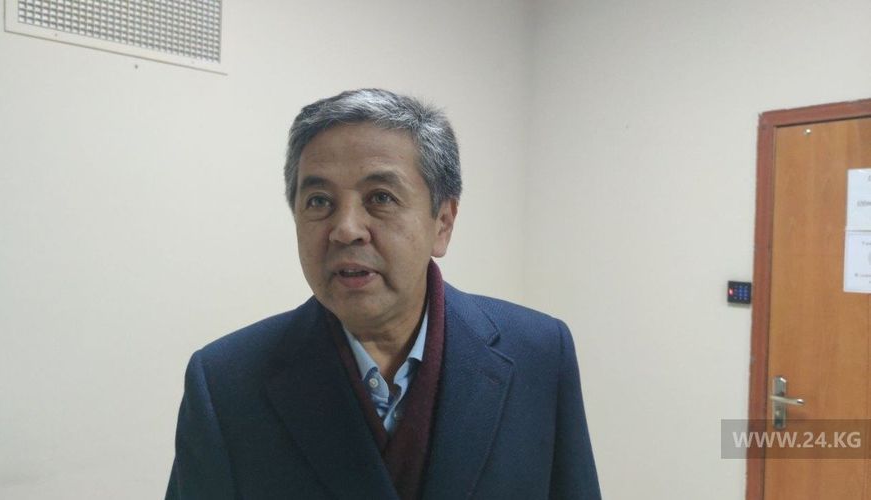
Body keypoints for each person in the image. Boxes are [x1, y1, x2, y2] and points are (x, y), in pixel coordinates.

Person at [166, 89, 601, 500]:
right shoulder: (226, 383)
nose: (346, 229)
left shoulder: (539, 354)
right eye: (318, 201)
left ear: (443, 222)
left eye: (380, 197)